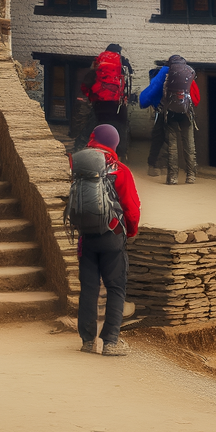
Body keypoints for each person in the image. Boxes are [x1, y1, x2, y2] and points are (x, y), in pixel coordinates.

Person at [67, 124, 140, 357]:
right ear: (114, 143)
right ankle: (110, 343)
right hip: (112, 236)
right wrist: (130, 232)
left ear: (93, 138)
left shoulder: (78, 166)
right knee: (115, 288)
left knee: (89, 289)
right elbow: (131, 208)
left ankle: (87, 341)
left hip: (86, 237)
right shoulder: (120, 170)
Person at [139, 55, 200, 184]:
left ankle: (172, 178)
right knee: (189, 144)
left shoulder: (165, 74)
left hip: (170, 113)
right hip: (186, 113)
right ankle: (191, 176)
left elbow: (153, 91)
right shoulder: (188, 74)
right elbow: (197, 98)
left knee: (172, 146)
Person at [79, 43, 133, 163]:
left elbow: (87, 82)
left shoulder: (97, 61)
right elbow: (128, 81)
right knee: (119, 129)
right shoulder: (122, 62)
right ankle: (118, 158)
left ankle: (96, 157)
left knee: (98, 128)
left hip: (99, 103)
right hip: (116, 104)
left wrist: (90, 97)